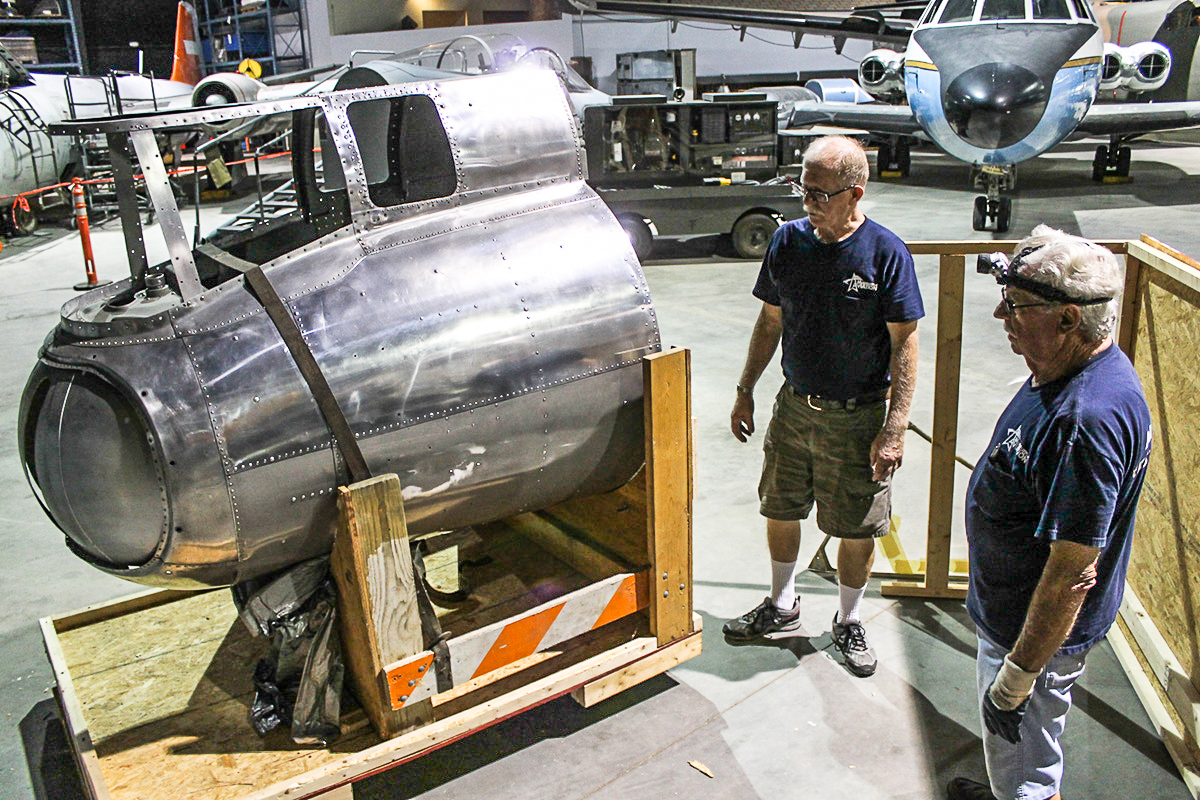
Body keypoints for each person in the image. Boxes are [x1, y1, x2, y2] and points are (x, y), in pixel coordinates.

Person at [949, 226, 1152, 800]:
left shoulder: (1086, 420)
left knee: (1026, 773)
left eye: (1016, 307)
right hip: (1012, 615)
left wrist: (1017, 680)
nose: (999, 315)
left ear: (1068, 319)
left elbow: (1070, 575)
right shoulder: (1066, 371)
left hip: (1031, 637)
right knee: (1017, 758)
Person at [723, 135, 923, 677]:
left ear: (855, 193)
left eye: (820, 194)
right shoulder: (787, 243)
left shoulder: (885, 253)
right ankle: (783, 603)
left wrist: (895, 426)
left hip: (858, 416)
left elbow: (905, 340)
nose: (808, 203)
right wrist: (746, 389)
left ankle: (849, 620)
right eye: (803, 189)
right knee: (780, 507)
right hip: (793, 409)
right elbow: (770, 321)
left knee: (856, 527)